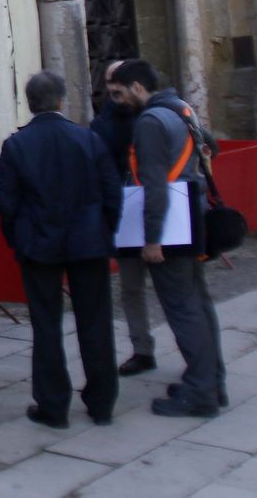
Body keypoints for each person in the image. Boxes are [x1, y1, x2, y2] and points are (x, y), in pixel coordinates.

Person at [0, 71, 122, 428]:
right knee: (95, 321)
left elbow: (7, 204)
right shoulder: (88, 139)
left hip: (39, 244)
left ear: (30, 102)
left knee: (46, 324)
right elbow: (112, 193)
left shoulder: (17, 145)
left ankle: (53, 404)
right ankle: (101, 402)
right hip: (88, 242)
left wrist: (18, 241)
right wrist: (104, 230)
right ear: (61, 100)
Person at [110, 59, 227, 417]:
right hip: (193, 217)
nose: (118, 100)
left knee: (182, 307)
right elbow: (212, 147)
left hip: (170, 227)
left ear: (138, 86)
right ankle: (210, 379)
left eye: (120, 92)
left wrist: (152, 238)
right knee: (198, 302)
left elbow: (154, 185)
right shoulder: (181, 108)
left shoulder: (148, 121)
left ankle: (200, 392)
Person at [91, 59, 155, 377]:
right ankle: (142, 348)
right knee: (131, 287)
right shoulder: (106, 123)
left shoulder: (158, 114)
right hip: (127, 209)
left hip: (161, 210)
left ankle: (195, 357)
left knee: (174, 290)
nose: (117, 92)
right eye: (111, 85)